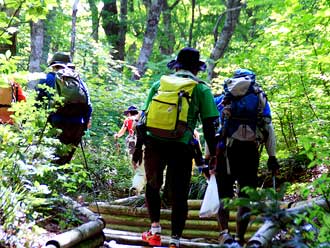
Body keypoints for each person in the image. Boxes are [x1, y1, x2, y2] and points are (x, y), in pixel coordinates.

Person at [132, 47, 219, 248]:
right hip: (181, 146)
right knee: (180, 193)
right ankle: (175, 241)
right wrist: (211, 156)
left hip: (154, 142)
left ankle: (154, 232)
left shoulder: (159, 85)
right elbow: (209, 126)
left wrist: (138, 148)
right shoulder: (201, 89)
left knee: (152, 186)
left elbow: (142, 120)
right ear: (196, 69)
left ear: (177, 66)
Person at [215, 69, 279, 246]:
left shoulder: (225, 96)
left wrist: (208, 158)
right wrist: (272, 156)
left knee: (224, 195)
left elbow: (216, 127)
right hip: (250, 151)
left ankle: (224, 234)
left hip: (226, 151)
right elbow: (268, 127)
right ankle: (240, 238)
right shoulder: (259, 97)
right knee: (246, 195)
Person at [36, 52, 92, 165]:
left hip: (57, 123)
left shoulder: (47, 79)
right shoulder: (78, 81)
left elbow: (38, 103)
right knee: (65, 159)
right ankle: (64, 176)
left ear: (53, 65)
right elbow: (88, 106)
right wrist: (84, 125)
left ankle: (53, 179)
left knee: (53, 158)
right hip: (78, 124)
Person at [114, 105, 146, 194]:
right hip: (144, 144)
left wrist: (116, 135)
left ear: (129, 113)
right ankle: (139, 189)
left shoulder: (128, 120)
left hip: (132, 145)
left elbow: (120, 133)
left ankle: (136, 189)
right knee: (143, 167)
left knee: (137, 168)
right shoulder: (142, 118)